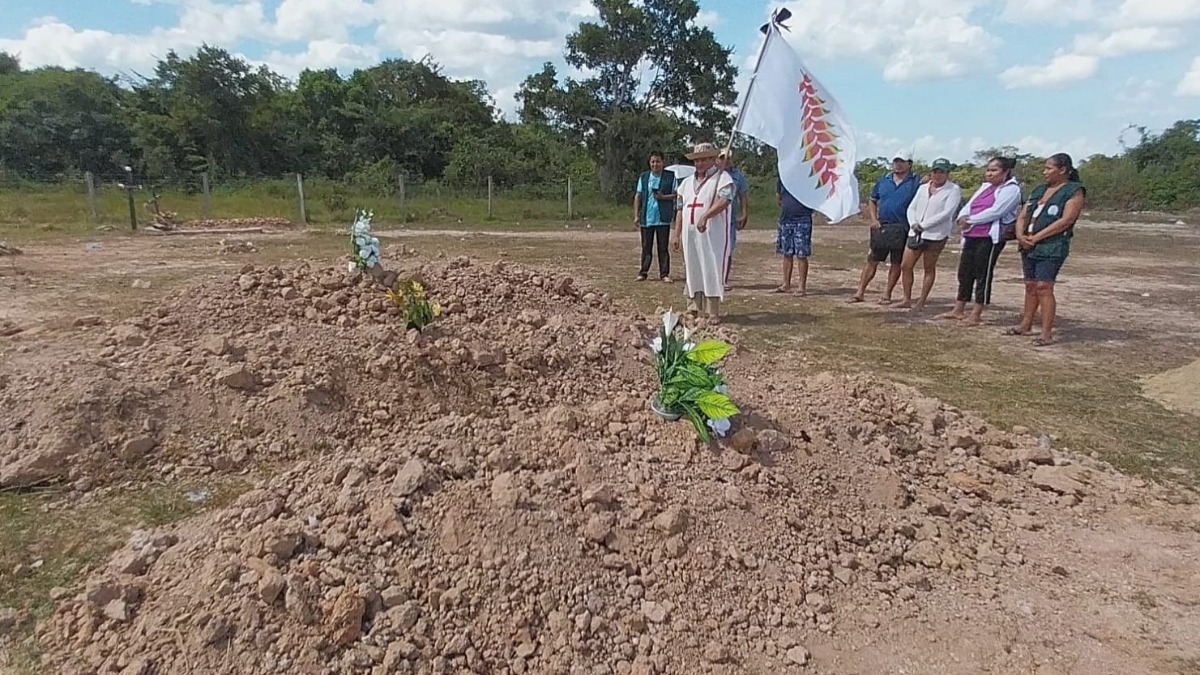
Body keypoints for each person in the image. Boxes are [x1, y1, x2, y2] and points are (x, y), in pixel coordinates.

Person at [1005, 153, 1086, 346]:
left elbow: (1066, 220)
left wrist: (1038, 237)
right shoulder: (1040, 189)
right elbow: (1023, 214)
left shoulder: (1073, 190)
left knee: (1044, 287)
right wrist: (1020, 234)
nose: (1045, 172)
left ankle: (1046, 332)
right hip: (1028, 244)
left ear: (1063, 170)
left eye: (1049, 168)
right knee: (1030, 285)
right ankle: (1025, 324)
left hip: (1052, 246)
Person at [940, 157, 1022, 326]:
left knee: (982, 274)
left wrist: (971, 220)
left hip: (989, 237)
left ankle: (976, 313)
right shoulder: (985, 187)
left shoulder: (1012, 190)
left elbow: (996, 211)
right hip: (972, 234)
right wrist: (963, 217)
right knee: (965, 272)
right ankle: (959, 308)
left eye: (994, 170)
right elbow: (969, 205)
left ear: (1005, 172)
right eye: (988, 170)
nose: (989, 174)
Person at [671, 142, 735, 324]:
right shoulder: (685, 184)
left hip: (711, 232)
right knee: (692, 266)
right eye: (696, 160)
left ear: (712, 159)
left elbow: (726, 199)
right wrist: (676, 234)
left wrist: (706, 215)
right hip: (689, 233)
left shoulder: (722, 178)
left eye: (703, 159)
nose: (699, 163)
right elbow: (680, 209)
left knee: (710, 265)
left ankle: (712, 310)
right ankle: (693, 306)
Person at [850, 149, 920, 304]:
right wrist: (873, 219)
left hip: (902, 227)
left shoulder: (915, 181)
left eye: (902, 161)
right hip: (883, 226)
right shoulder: (883, 180)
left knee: (896, 263)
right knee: (872, 259)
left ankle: (887, 294)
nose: (898, 164)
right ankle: (860, 292)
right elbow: (873, 199)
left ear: (909, 164)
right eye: (896, 161)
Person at [898, 158, 961, 310]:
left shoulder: (953, 190)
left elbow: (947, 213)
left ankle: (921, 301)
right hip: (916, 232)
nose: (938, 175)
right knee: (905, 266)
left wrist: (924, 225)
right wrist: (913, 223)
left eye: (942, 172)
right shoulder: (923, 188)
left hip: (936, 234)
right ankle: (906, 298)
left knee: (929, 267)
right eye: (935, 171)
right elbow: (911, 207)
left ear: (947, 173)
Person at [633, 151, 677, 282]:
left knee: (663, 247)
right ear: (649, 163)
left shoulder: (670, 176)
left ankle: (664, 274)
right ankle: (643, 272)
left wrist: (663, 197)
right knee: (646, 246)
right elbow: (638, 196)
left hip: (663, 217)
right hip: (647, 217)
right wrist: (636, 215)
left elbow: (676, 194)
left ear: (663, 162)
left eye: (658, 161)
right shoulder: (644, 177)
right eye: (653, 161)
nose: (655, 164)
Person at [774, 178, 815, 295]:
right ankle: (786, 284)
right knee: (786, 253)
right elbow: (779, 197)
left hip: (802, 219)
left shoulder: (807, 178)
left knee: (801, 254)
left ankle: (801, 287)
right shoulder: (783, 177)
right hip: (786, 219)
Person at [717, 150, 749, 289]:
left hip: (730, 217)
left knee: (728, 249)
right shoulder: (714, 174)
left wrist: (744, 213)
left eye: (728, 158)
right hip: (715, 217)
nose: (726, 160)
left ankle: (724, 279)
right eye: (722, 158)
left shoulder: (738, 176)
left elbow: (743, 195)